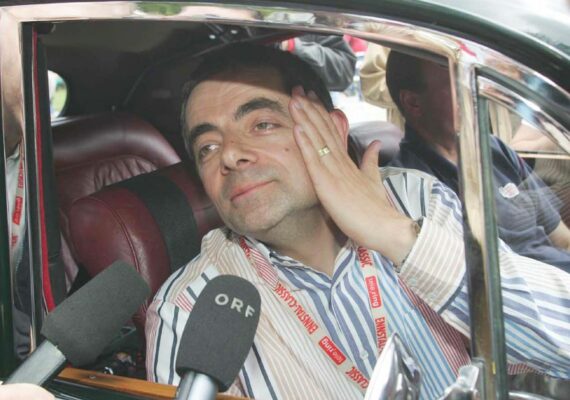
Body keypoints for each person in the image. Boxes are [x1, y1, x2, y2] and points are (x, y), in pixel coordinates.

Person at [145, 44, 570, 399]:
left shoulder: (416, 200)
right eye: (207, 147)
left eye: (262, 124)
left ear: (332, 130)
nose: (230, 155)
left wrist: (395, 234)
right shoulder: (189, 308)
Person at [385, 51, 570, 272]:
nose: (474, 93)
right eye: (458, 85)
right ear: (413, 102)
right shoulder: (410, 187)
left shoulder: (492, 148)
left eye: (472, 81)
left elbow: (561, 237)